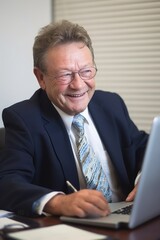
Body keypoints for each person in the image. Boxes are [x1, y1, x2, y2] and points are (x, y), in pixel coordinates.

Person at [0, 20, 148, 218]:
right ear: (41, 78)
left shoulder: (111, 104)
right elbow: (8, 183)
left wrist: (147, 180)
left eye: (86, 71)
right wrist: (58, 202)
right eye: (65, 75)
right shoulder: (24, 119)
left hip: (129, 217)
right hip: (73, 229)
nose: (78, 85)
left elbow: (143, 148)